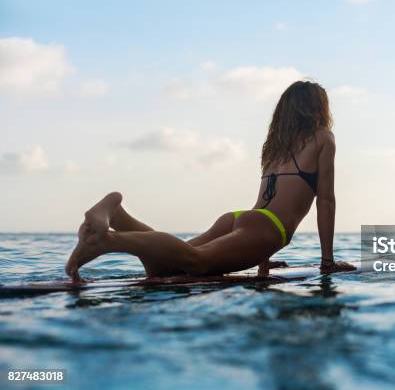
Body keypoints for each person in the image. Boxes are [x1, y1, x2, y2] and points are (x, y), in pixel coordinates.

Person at [65, 81, 356, 282]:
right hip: (270, 229)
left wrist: (261, 259)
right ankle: (109, 240)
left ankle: (118, 214)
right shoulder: (323, 138)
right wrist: (327, 262)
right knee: (196, 261)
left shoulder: (275, 146)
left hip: (243, 218)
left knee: (170, 264)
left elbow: (264, 202)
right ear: (318, 109)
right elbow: (326, 200)